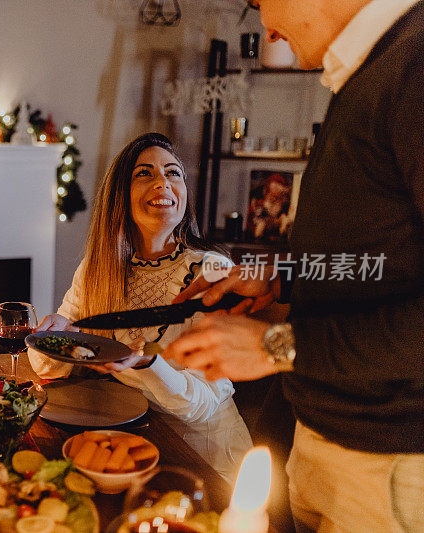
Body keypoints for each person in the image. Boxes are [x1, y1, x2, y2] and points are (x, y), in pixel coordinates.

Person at [163, 1, 424, 531]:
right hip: (332, 449)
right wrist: (284, 277)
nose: (262, 23)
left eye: (261, 2)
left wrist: (275, 345)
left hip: (383, 467)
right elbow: (383, 264)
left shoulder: (414, 71)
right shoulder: (374, 72)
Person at [28, 132, 252, 481]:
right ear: (122, 195)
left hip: (204, 459)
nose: (162, 181)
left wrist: (150, 364)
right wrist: (51, 333)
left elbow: (206, 406)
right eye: (144, 173)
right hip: (128, 444)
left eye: (173, 172)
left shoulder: (210, 272)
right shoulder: (99, 267)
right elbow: (48, 368)